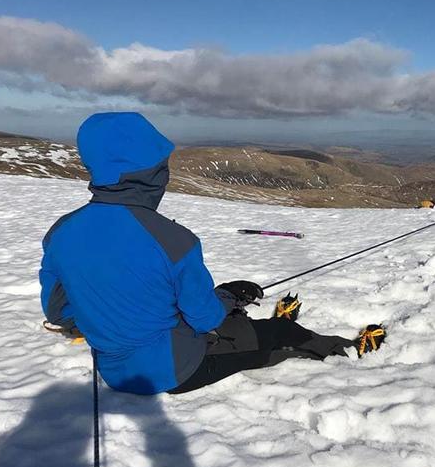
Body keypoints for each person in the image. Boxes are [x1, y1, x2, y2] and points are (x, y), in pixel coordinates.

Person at [39, 112, 383, 395]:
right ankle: (347, 351)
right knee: (278, 336)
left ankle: (251, 322)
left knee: (227, 315)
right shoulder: (173, 239)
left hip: (114, 370)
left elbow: (59, 311)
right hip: (176, 371)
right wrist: (227, 297)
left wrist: (111, 321)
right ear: (152, 174)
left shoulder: (62, 232)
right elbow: (205, 320)